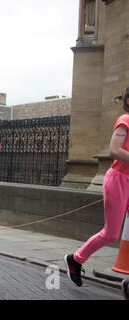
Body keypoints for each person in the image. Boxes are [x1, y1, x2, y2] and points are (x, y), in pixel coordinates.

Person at [64, 87, 129, 287]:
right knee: (111, 233)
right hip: (118, 179)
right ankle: (75, 259)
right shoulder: (125, 121)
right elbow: (114, 150)